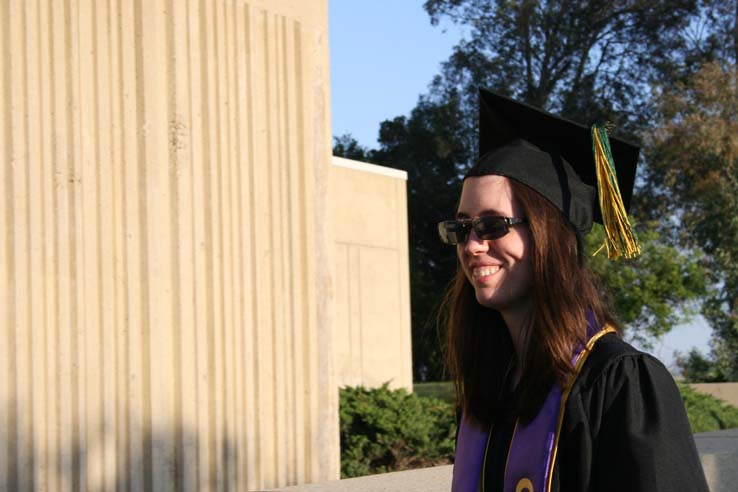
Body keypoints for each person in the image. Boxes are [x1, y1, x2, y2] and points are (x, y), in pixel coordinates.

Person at [438, 90, 709, 492]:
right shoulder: (490, 389)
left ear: (554, 237)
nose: (473, 245)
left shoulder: (619, 384)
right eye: (462, 228)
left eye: (493, 225)